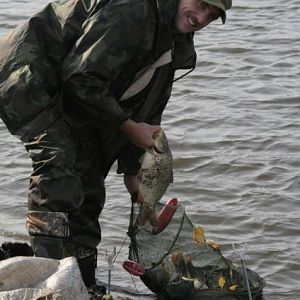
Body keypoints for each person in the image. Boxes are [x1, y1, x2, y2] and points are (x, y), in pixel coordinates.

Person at [0, 0, 232, 293]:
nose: (201, 17)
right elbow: (80, 77)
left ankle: (82, 281)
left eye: (212, 15)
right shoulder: (133, 9)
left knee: (90, 180)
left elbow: (147, 113)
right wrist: (129, 127)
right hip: (28, 71)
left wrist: (136, 170)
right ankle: (47, 277)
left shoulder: (174, 42)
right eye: (200, 5)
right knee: (58, 163)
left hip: (71, 86)